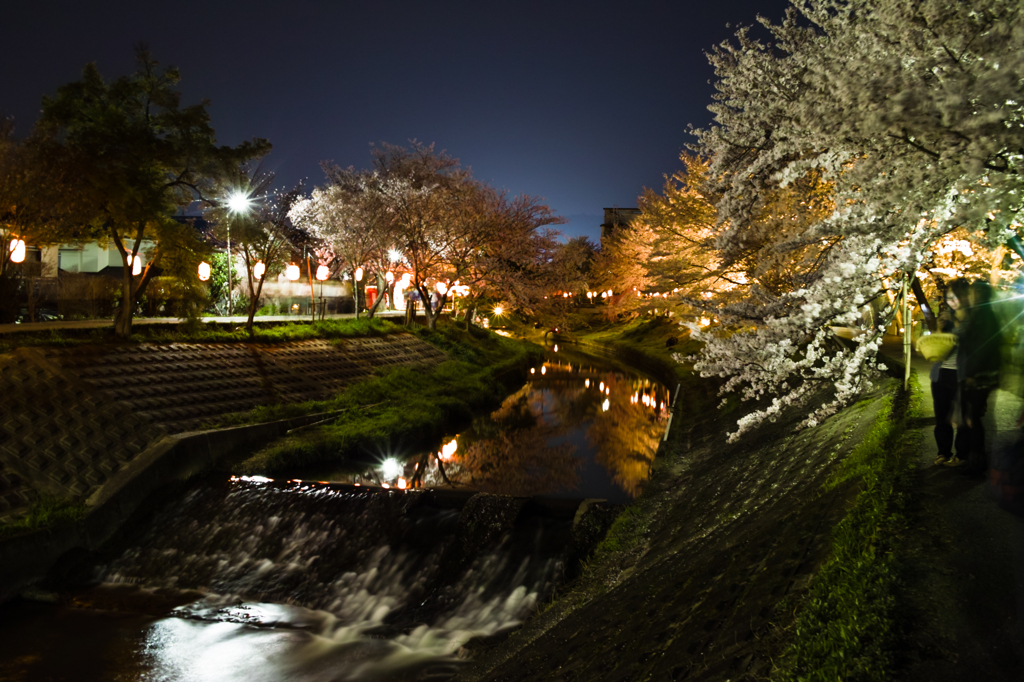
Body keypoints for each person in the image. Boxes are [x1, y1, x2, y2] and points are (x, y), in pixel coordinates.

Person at [950, 278, 1003, 473]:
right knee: (972, 417)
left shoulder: (985, 316)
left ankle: (978, 462)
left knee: (973, 418)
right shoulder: (979, 314)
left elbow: (982, 348)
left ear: (979, 295)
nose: (968, 297)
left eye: (971, 294)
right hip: (977, 374)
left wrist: (972, 373)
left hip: (980, 375)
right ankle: (976, 460)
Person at [931, 278, 970, 466]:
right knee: (942, 417)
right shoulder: (945, 316)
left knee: (961, 418)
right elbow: (935, 348)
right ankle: (943, 452)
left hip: (961, 375)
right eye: (949, 296)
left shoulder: (969, 318)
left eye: (955, 296)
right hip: (940, 374)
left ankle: (961, 455)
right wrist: (939, 328)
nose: (952, 300)